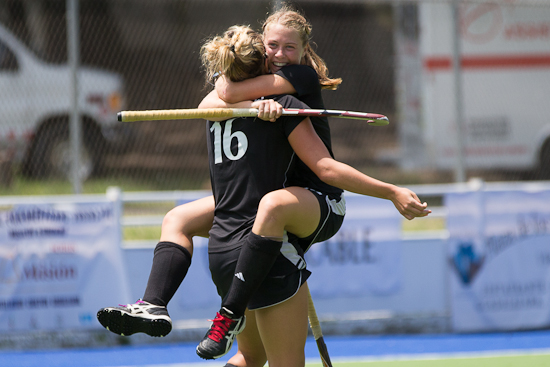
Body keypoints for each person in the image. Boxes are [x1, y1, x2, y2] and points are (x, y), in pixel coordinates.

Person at [196, 6, 430, 362]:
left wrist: (392, 191)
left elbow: (326, 169)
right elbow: (212, 101)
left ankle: (228, 314)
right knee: (250, 358)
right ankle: (153, 302)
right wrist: (256, 103)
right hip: (280, 215)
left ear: (304, 50)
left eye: (289, 48)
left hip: (321, 202)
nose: (279, 55)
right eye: (272, 45)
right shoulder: (263, 87)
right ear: (262, 43)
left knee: (272, 205)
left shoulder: (299, 77)